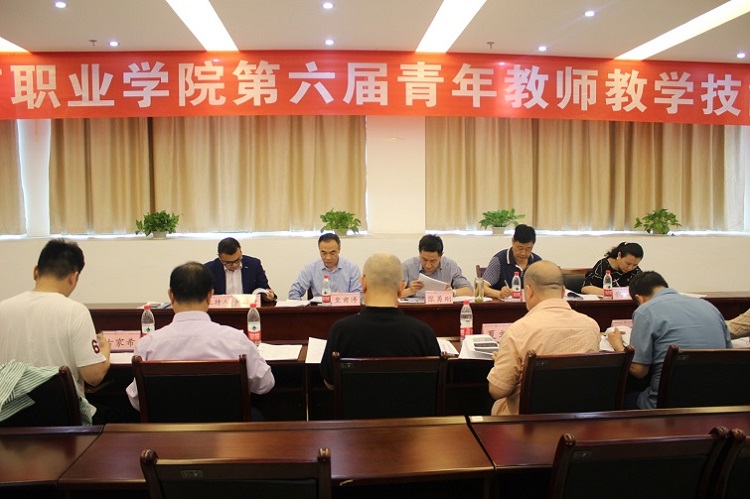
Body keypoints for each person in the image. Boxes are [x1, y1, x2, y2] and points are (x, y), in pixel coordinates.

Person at [126, 262, 274, 411]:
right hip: (227, 425)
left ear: (171, 295)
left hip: (168, 426)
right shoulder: (236, 341)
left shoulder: (148, 344)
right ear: (210, 295)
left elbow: (137, 400)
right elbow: (265, 384)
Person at [0, 239, 110, 424]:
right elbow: (93, 377)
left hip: (9, 420)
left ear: (36, 271)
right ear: (73, 277)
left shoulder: (3, 308)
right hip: (63, 422)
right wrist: (105, 352)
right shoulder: (75, 311)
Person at [487, 261, 600, 415]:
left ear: (528, 291)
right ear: (563, 291)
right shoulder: (591, 327)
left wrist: (499, 362)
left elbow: (497, 391)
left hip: (528, 424)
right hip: (578, 420)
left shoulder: (518, 331)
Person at [607, 271, 732, 409]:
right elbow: (729, 355)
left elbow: (639, 371)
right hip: (715, 402)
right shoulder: (710, 307)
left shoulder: (645, 310)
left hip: (666, 404)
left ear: (639, 298)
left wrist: (618, 344)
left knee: (615, 399)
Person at [320, 252, 441, 387]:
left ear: (363, 284)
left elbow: (330, 383)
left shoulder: (341, 330)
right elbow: (435, 382)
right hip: (408, 401)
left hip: (357, 401)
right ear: (401, 288)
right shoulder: (423, 332)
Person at [288, 233, 362, 300]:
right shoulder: (310, 268)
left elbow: (359, 296)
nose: (328, 257)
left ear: (339, 249)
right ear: (319, 250)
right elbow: (294, 292)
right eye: (324, 253)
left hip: (345, 309)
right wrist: (303, 308)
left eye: (332, 253)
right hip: (319, 309)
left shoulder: (352, 269)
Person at [401, 234, 473, 298]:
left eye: (433, 261)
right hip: (415, 308)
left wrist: (452, 292)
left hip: (442, 308)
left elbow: (469, 290)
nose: (428, 265)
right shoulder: (407, 267)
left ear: (441, 256)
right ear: (419, 253)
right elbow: (395, 294)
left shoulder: (450, 266)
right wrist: (410, 291)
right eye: (424, 259)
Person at [482, 224, 542, 300]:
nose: (523, 253)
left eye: (528, 249)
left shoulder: (537, 263)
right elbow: (482, 287)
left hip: (531, 305)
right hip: (504, 305)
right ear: (513, 241)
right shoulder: (499, 260)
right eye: (520, 248)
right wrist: (500, 294)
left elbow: (546, 288)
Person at [204, 237, 275, 301]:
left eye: (237, 260)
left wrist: (267, 296)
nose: (234, 265)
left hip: (249, 308)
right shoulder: (209, 269)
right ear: (220, 257)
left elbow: (263, 288)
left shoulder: (254, 265)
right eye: (228, 263)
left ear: (241, 251)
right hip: (221, 310)